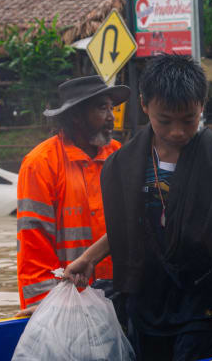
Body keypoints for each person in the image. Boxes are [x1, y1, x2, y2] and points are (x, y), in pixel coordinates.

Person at [63, 54, 212, 361]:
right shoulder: (125, 165)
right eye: (164, 121)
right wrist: (89, 258)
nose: (178, 131)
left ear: (202, 107)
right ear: (144, 105)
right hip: (147, 297)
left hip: (202, 299)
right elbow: (129, 228)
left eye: (189, 120)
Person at [16, 76, 129, 311]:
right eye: (102, 108)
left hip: (121, 295)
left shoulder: (120, 156)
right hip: (69, 302)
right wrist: (45, 307)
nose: (112, 117)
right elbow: (33, 245)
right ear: (76, 116)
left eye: (112, 108)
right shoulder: (41, 164)